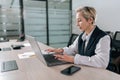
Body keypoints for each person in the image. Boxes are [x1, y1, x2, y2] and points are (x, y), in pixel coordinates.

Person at [46, 6, 111, 69]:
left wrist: (74, 59)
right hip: (85, 69)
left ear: (90, 20)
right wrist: (60, 50)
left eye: (79, 20)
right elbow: (73, 49)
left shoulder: (103, 38)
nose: (77, 24)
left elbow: (102, 62)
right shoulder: (82, 36)